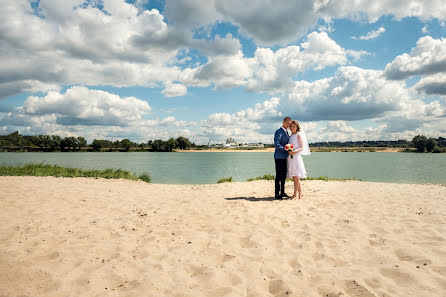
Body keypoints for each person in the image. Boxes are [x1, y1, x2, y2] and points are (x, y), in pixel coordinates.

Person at [287, 120, 311, 199]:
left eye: (294, 126)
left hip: (296, 157)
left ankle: (295, 194)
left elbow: (301, 148)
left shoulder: (298, 136)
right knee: (294, 176)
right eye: (291, 126)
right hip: (291, 158)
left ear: (297, 128)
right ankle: (300, 192)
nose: (292, 128)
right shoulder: (290, 136)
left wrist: (293, 152)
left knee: (296, 176)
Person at [274, 117, 291, 199]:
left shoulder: (287, 132)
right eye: (288, 123)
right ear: (283, 122)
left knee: (284, 175)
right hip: (279, 156)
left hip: (285, 157)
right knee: (279, 175)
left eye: (289, 124)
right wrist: (286, 149)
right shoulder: (278, 131)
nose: (288, 125)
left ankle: (282, 192)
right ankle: (277, 193)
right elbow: (277, 144)